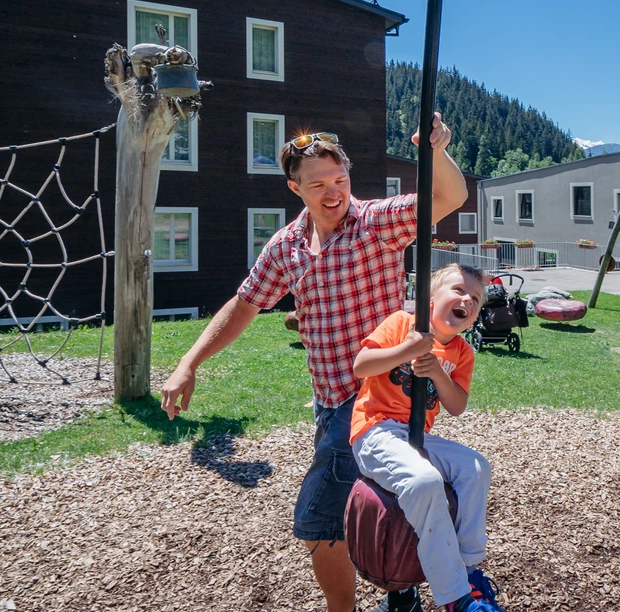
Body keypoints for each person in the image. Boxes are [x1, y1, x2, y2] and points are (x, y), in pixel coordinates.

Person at [159, 113, 468, 612]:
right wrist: (189, 361)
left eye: (340, 180)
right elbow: (244, 305)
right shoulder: (287, 246)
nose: (333, 193)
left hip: (376, 397)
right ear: (294, 188)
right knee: (384, 497)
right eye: (318, 184)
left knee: (319, 521)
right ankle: (402, 592)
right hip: (330, 402)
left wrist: (435, 152)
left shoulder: (375, 223)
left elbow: (449, 198)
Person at [349, 263, 503, 612]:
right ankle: (455, 596)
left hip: (416, 436)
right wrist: (409, 350)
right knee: (424, 482)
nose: (467, 299)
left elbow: (457, 405)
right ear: (430, 298)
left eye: (475, 299)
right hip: (375, 430)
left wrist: (436, 371)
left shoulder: (462, 352)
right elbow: (362, 365)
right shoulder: (403, 324)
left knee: (476, 468)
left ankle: (468, 571)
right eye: (459, 290)